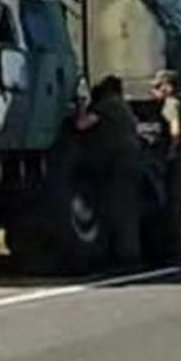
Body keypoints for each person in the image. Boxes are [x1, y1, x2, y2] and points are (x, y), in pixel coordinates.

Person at [76, 75, 143, 265]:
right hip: (132, 160)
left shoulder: (106, 106)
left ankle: (123, 255)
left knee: (117, 208)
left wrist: (81, 106)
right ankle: (131, 252)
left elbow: (82, 125)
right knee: (129, 209)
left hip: (118, 163)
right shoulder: (123, 107)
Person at [152, 69, 181, 257]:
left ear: (168, 87)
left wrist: (170, 152)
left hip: (177, 161)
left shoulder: (171, 104)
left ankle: (177, 246)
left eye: (159, 86)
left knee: (176, 204)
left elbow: (175, 131)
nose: (155, 90)